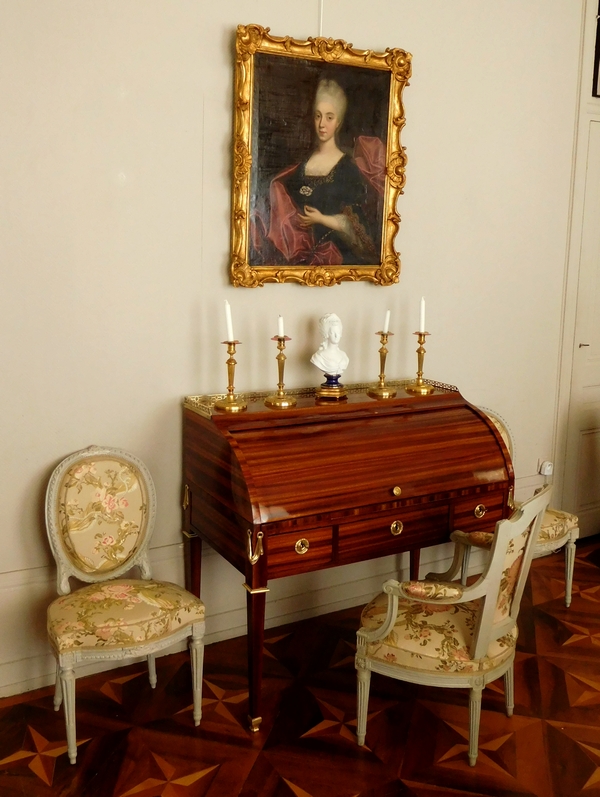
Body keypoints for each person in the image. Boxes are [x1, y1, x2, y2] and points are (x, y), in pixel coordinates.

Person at [253, 79, 384, 266]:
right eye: (318, 116)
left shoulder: (348, 168)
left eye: (329, 117)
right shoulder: (301, 167)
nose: (322, 124)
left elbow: (360, 230)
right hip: (297, 263)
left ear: (338, 122)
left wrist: (321, 219)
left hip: (336, 260)